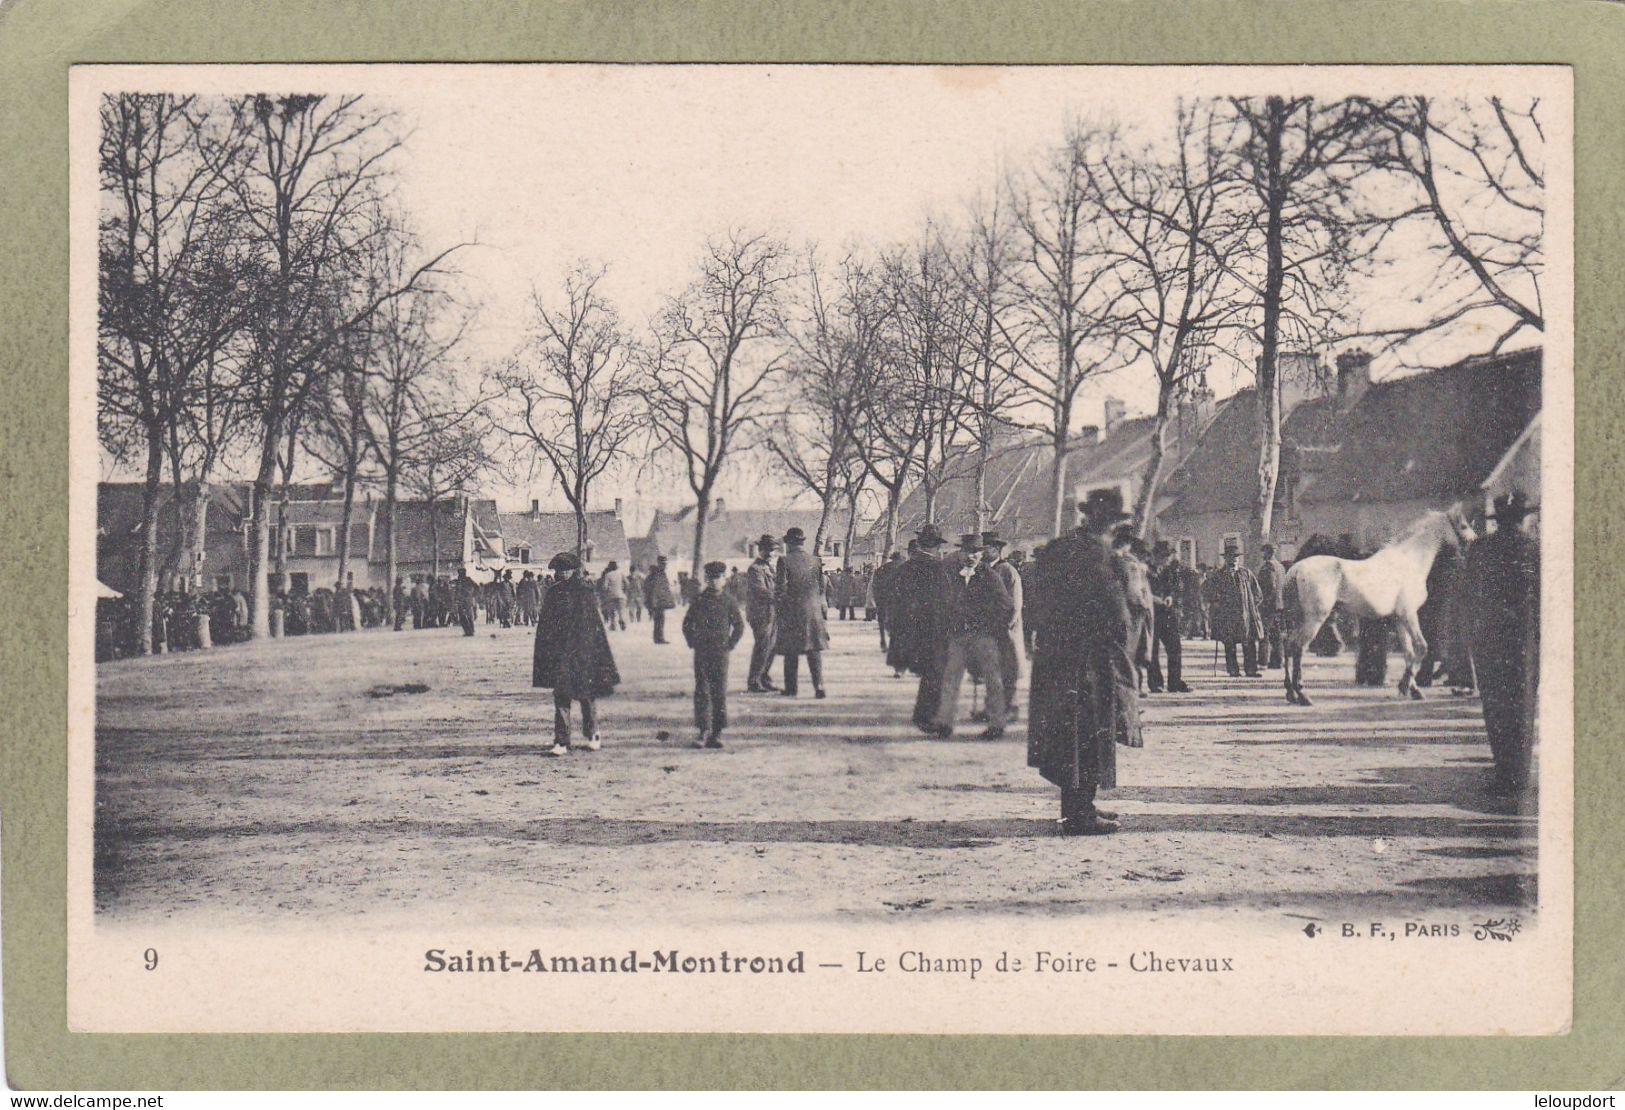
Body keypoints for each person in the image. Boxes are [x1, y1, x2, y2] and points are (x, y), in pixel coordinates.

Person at [1028, 488, 1134, 836]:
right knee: (1088, 735)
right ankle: (1079, 814)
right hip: (1090, 660)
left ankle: (1077, 806)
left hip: (1054, 657)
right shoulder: (1101, 556)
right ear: (1108, 523)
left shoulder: (1057, 549)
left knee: (1065, 737)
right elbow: (1118, 616)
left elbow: (1034, 598)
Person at [1465, 493, 1540, 797]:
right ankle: (1519, 776)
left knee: (1495, 707)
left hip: (1490, 641)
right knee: (1523, 706)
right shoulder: (1536, 549)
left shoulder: (1480, 549)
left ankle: (1503, 773)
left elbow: (1467, 596)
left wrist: (1472, 636)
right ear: (1523, 517)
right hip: (1525, 641)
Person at [533, 552, 620, 757]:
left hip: (582, 652)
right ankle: (561, 741)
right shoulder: (553, 593)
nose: (562, 574)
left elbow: (593, 626)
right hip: (560, 653)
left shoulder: (584, 592)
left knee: (586, 695)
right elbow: (545, 626)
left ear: (573, 571)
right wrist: (547, 651)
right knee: (561, 696)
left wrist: (591, 652)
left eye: (565, 570)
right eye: (558, 571)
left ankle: (592, 735)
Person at [932, 533, 1015, 740]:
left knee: (993, 679)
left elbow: (1005, 605)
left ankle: (997, 723)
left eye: (977, 552)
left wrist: (989, 625)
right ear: (961, 552)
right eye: (968, 551)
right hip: (957, 635)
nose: (972, 556)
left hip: (983, 636)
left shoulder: (990, 576)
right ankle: (945, 723)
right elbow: (938, 603)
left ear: (982, 553)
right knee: (951, 678)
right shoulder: (949, 575)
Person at [887, 525, 952, 728]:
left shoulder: (905, 567)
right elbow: (944, 601)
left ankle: (924, 714)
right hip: (932, 629)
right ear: (936, 547)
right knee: (936, 672)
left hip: (909, 629)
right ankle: (926, 716)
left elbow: (894, 599)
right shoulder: (938, 568)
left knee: (929, 672)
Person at [682, 561, 747, 749]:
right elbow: (687, 623)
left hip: (721, 652)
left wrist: (731, 644)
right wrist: (692, 641)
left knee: (719, 691)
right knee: (702, 690)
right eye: (710, 578)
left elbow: (739, 626)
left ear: (724, 579)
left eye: (717, 578)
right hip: (702, 651)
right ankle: (703, 731)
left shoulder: (729, 601)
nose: (714, 582)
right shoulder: (699, 600)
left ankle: (717, 732)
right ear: (706, 579)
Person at [774, 527, 829, 698]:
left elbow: (780, 590)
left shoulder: (784, 561)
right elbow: (821, 587)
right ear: (802, 542)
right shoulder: (816, 561)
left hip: (793, 612)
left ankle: (791, 688)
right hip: (814, 613)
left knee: (791, 651)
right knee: (814, 650)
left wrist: (779, 609)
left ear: (789, 543)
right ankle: (819, 686)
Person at [982, 532, 1024, 723]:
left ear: (996, 550)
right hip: (988, 627)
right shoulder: (981, 569)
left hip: (1005, 628)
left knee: (1008, 669)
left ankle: (1010, 707)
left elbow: (1016, 602)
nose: (983, 550)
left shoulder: (1007, 570)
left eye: (988, 547)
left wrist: (1010, 624)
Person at [1208, 538, 1263, 677]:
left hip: (1245, 615)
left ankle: (1251, 669)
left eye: (1235, 557)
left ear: (1239, 559)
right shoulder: (1218, 576)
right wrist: (1216, 602)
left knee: (1249, 642)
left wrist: (1251, 607)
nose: (1233, 560)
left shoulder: (1246, 574)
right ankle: (1233, 670)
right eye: (1230, 558)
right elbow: (1208, 592)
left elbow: (1257, 593)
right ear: (1225, 559)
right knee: (1229, 643)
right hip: (1227, 616)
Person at [1113, 528, 1154, 701]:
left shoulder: (1127, 561)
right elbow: (1135, 591)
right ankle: (1132, 686)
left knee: (1133, 650)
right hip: (1132, 611)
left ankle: (1134, 685)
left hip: (1131, 611)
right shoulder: (1127, 562)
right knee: (1131, 649)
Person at [1146, 540, 1191, 693]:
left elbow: (1174, 588)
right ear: (1155, 555)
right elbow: (1141, 591)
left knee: (1175, 647)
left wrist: (1170, 597)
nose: (1167, 560)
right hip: (1150, 614)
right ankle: (1155, 683)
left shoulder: (1169, 571)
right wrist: (1154, 599)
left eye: (1169, 556)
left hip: (1167, 614)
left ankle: (1175, 682)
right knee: (1152, 650)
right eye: (1164, 556)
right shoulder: (1145, 570)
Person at [744, 535, 780, 693]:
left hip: (772, 613)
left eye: (773, 550)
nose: (771, 553)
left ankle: (764, 678)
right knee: (762, 647)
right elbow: (761, 591)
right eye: (768, 550)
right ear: (761, 550)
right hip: (760, 614)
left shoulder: (771, 568)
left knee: (772, 647)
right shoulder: (755, 569)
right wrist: (782, 596)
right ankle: (754, 681)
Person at [1256, 543, 1287, 669]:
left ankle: (1263, 662)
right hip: (1279, 605)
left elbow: (1269, 587)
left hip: (1268, 606)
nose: (1262, 555)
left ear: (1267, 553)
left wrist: (1262, 604)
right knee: (1277, 635)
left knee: (1264, 634)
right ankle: (1278, 661)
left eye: (1263, 552)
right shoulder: (1281, 567)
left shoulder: (1268, 567)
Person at [643, 556, 676, 643]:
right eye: (663, 564)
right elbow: (653, 589)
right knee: (659, 620)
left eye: (665, 564)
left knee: (659, 620)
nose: (665, 566)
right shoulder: (656, 574)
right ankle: (659, 638)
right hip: (657, 601)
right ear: (659, 563)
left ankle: (658, 638)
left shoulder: (660, 573)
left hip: (660, 601)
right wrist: (652, 603)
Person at [598, 561, 628, 631]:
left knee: (612, 612)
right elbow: (627, 583)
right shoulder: (621, 574)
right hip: (621, 595)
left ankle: (613, 625)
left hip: (611, 596)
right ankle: (621, 619)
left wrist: (605, 592)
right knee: (621, 611)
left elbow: (605, 586)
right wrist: (624, 591)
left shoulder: (607, 575)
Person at [455, 570, 480, 636]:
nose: (460, 575)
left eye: (461, 574)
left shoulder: (468, 580)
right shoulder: (458, 581)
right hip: (461, 600)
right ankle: (467, 631)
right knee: (462, 616)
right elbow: (457, 591)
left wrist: (472, 594)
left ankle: (471, 631)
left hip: (467, 600)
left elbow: (477, 587)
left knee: (469, 616)